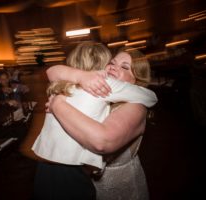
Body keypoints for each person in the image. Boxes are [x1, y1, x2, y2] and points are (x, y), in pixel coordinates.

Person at [32, 42, 157, 200]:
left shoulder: (135, 107)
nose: (113, 67)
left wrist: (58, 104)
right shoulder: (93, 88)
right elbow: (52, 71)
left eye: (124, 67)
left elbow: (102, 142)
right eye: (112, 62)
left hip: (118, 189)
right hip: (83, 181)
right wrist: (81, 76)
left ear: (136, 80)